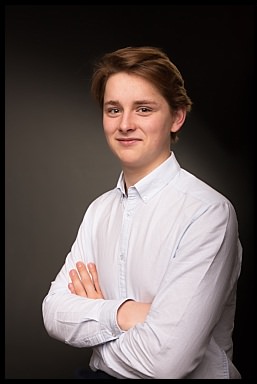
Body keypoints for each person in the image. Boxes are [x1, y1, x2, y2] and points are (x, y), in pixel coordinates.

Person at [40, 46, 243, 379]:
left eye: (143, 109)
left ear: (176, 117)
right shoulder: (98, 211)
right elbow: (54, 313)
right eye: (113, 109)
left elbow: (165, 365)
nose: (125, 124)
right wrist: (125, 314)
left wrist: (95, 327)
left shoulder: (208, 213)